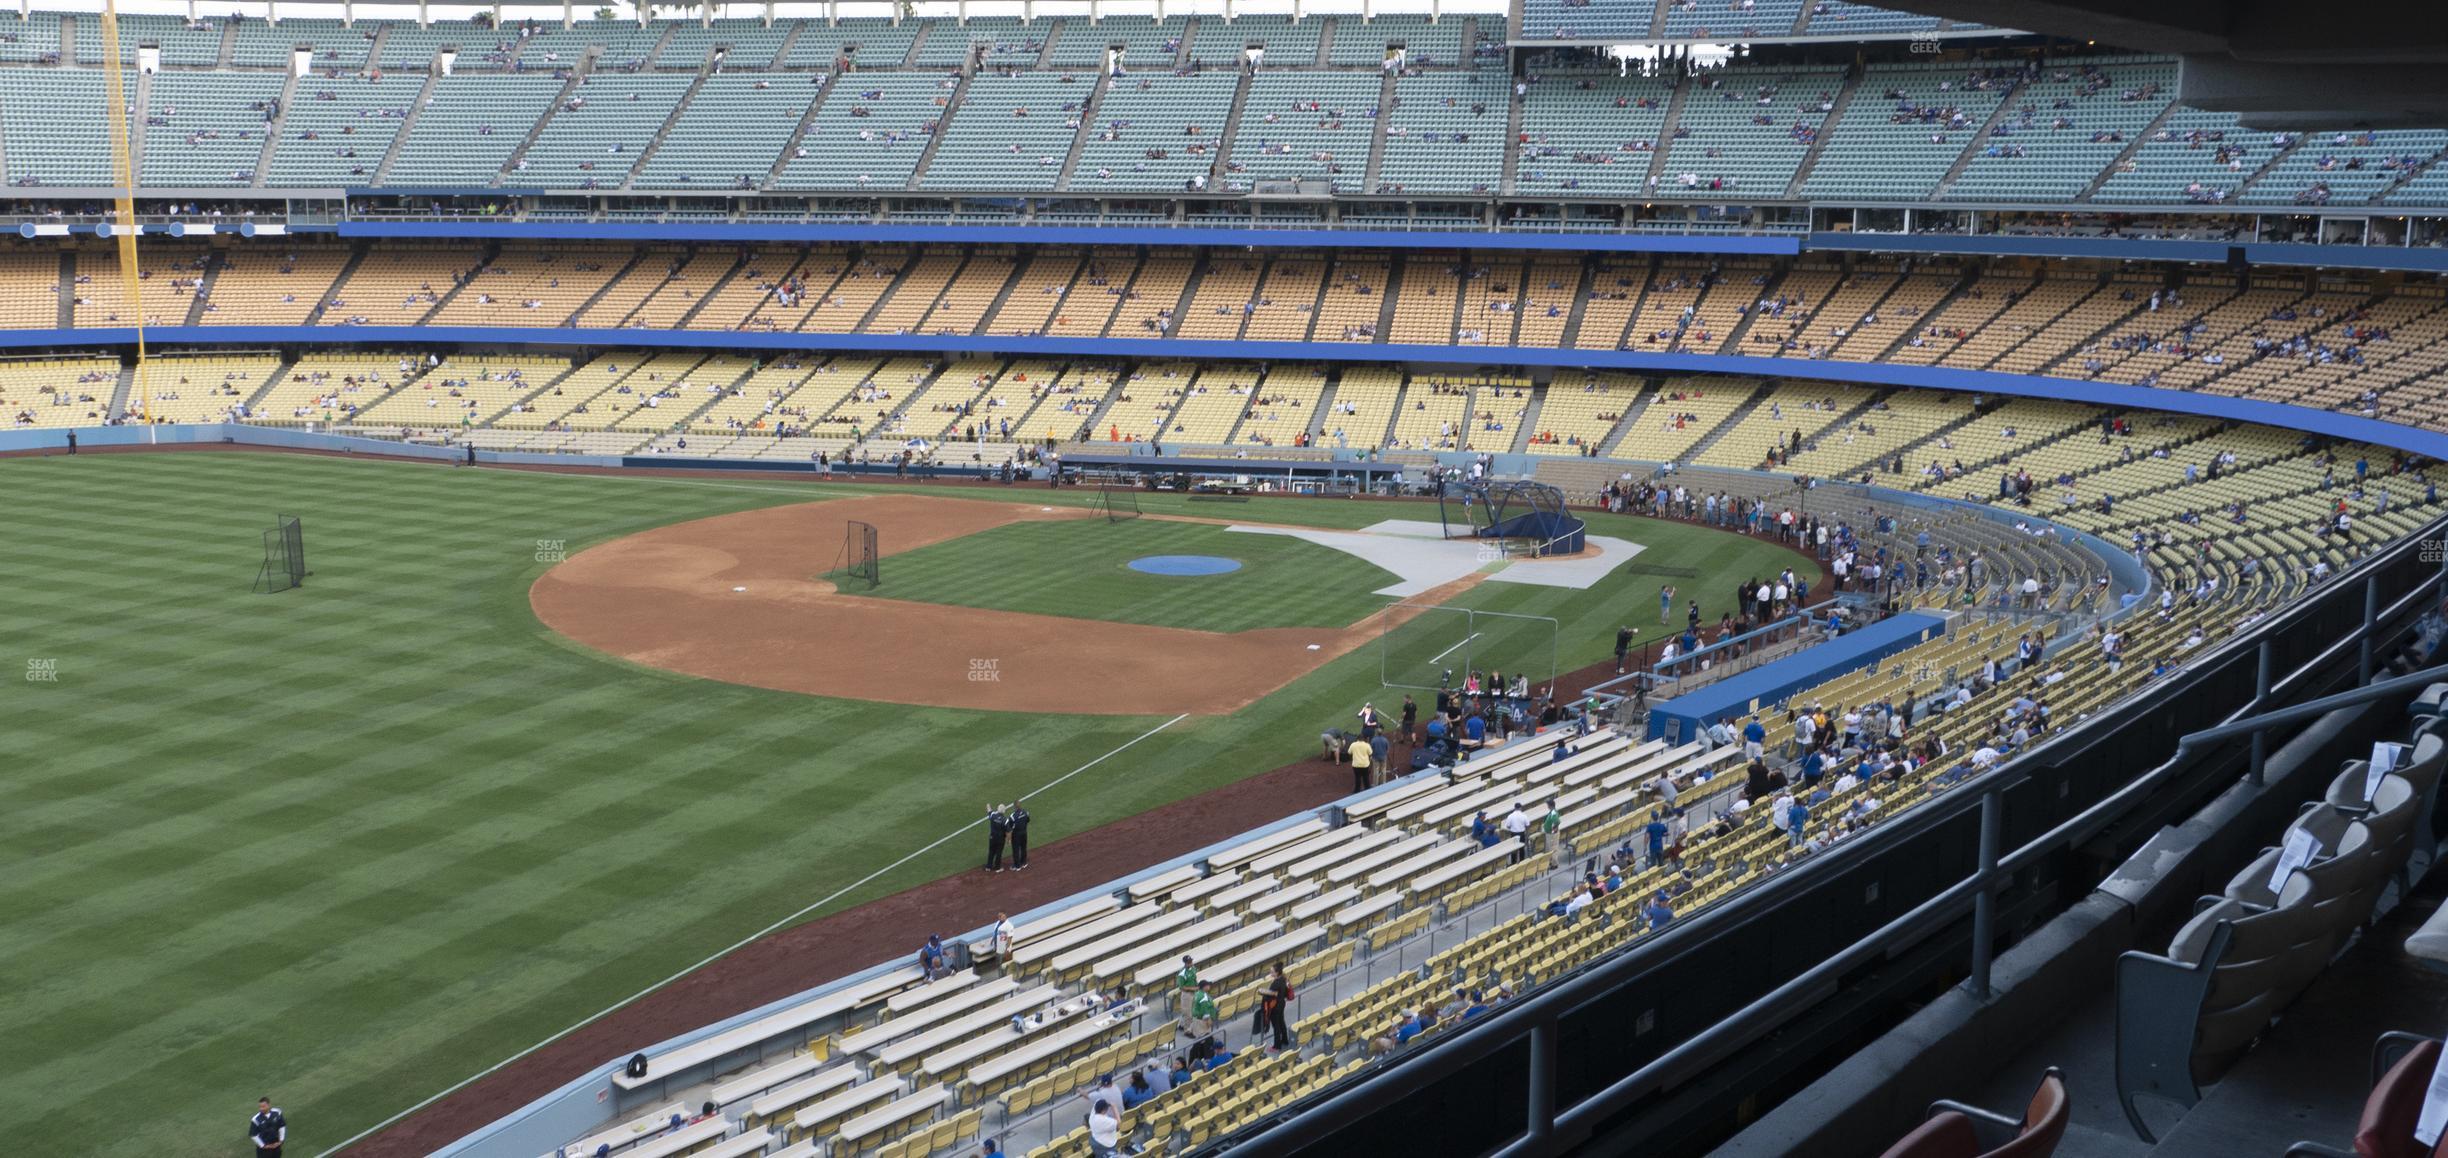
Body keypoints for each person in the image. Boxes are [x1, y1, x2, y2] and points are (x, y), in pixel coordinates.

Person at [1261, 962, 1295, 1051]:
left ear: (1277, 973)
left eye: (1272, 972)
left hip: (1275, 1006)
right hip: (1281, 1003)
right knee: (1281, 1022)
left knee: (1276, 1025)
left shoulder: (1276, 982)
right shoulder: (1283, 978)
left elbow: (1272, 993)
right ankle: (1284, 1040)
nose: (1270, 973)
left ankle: (1277, 1045)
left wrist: (1262, 991)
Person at [1174, 955, 1199, 1020]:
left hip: (1195, 992)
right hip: (1187, 994)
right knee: (1187, 1014)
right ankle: (1187, 1029)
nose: (1191, 963)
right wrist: (1193, 988)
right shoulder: (1182, 973)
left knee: (1193, 1010)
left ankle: (1182, 1025)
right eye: (1189, 962)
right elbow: (1181, 987)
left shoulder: (1193, 968)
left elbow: (1195, 977)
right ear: (1185, 963)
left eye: (1191, 961)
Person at [985, 804, 1009, 872]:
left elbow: (989, 811)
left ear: (998, 809)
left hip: (992, 837)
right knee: (999, 852)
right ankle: (997, 867)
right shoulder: (1005, 820)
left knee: (991, 851)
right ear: (1004, 811)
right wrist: (1008, 840)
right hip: (1000, 839)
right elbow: (1008, 831)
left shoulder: (993, 815)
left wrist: (988, 806)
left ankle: (988, 867)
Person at [1007, 803, 1031, 869]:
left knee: (1016, 850)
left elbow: (1009, 827)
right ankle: (1024, 862)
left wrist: (1009, 838)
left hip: (1016, 835)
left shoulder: (1012, 816)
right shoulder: (1026, 812)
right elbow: (1027, 820)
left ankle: (1017, 866)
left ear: (1014, 807)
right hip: (1024, 833)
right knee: (1023, 848)